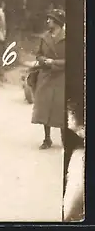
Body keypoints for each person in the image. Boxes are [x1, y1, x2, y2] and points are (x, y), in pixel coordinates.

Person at [31, 9, 65, 149]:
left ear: (57, 22)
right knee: (44, 107)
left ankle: (65, 139)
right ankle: (47, 139)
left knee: (62, 107)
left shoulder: (68, 37)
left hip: (62, 75)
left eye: (50, 19)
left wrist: (55, 63)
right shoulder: (44, 37)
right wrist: (43, 60)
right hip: (46, 75)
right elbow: (38, 55)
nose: (47, 21)